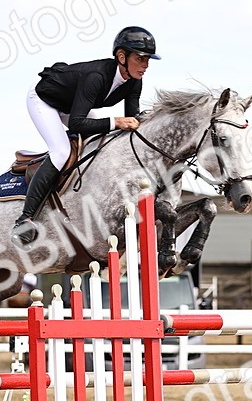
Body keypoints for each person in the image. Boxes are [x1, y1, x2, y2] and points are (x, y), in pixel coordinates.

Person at [12, 26, 161, 245]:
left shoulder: (134, 81)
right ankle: (24, 220)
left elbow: (133, 121)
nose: (146, 65)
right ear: (122, 56)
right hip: (44, 100)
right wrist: (115, 122)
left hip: (72, 104)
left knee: (95, 142)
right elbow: (77, 123)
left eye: (148, 59)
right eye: (140, 58)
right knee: (61, 151)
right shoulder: (96, 77)